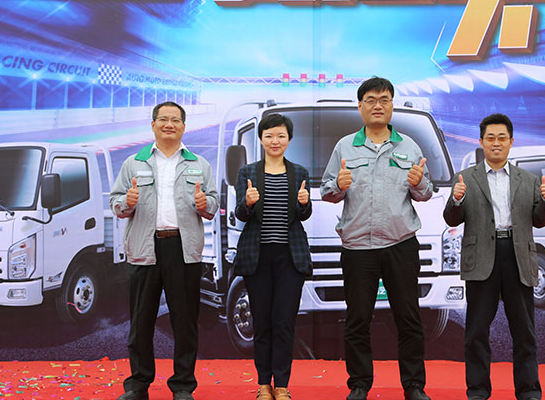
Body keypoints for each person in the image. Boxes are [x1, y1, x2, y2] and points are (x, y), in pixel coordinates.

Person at [321, 77, 432, 400]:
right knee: (357, 319)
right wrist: (339, 185)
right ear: (360, 107)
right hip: (358, 247)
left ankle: (414, 386)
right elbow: (327, 191)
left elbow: (425, 193)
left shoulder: (409, 146)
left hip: (400, 244)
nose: (378, 106)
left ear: (392, 105)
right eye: (370, 100)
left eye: (384, 99)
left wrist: (419, 183)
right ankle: (359, 384)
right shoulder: (345, 147)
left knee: (408, 318)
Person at [110, 101, 219, 400]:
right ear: (153, 125)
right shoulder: (134, 162)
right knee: (141, 321)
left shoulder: (199, 164)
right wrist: (127, 202)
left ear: (183, 126)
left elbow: (213, 204)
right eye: (163, 119)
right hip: (143, 248)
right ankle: (138, 385)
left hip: (183, 249)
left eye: (175, 120)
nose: (169, 124)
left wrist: (205, 204)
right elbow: (116, 203)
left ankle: (183, 386)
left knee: (185, 322)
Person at [443, 113, 545, 400]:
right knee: (476, 331)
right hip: (482, 257)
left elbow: (539, 220)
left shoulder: (528, 180)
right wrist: (457, 198)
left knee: (524, 331)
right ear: (481, 142)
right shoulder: (465, 178)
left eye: (501, 138)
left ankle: (529, 391)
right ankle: (478, 390)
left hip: (517, 256)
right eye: (490, 138)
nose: (496, 143)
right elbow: (451, 218)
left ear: (511, 142)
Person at [234, 113, 312, 400]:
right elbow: (240, 214)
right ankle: (263, 385)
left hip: (290, 257)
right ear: (261, 139)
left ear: (289, 139)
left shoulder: (299, 173)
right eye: (269, 135)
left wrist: (304, 204)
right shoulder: (247, 173)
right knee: (262, 322)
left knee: (284, 322)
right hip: (258, 257)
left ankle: (281, 385)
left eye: (280, 135)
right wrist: (247, 203)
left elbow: (304, 214)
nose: (275, 141)